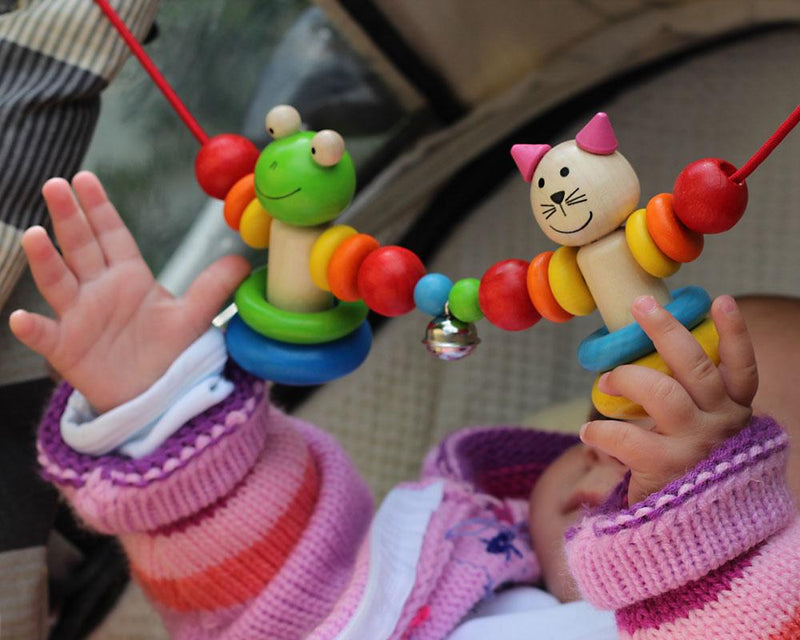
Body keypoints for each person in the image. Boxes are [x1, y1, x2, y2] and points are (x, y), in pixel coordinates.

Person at [11, 172, 800, 639]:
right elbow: (269, 589)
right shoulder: (443, 562)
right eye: (614, 415)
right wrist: (159, 403)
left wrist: (704, 525)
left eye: (718, 441)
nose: (612, 447)